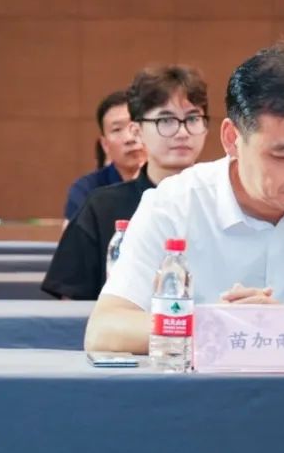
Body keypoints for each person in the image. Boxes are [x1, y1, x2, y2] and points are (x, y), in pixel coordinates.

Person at [84, 43, 284, 357]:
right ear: (232, 140)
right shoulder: (174, 202)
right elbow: (106, 328)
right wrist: (218, 326)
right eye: (283, 154)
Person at [43, 65, 209, 300]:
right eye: (166, 120)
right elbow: (70, 303)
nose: (182, 132)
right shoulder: (100, 208)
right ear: (137, 131)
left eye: (192, 118)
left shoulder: (225, 203)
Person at [61, 91, 147, 225]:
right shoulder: (87, 189)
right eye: (117, 129)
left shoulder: (175, 182)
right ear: (105, 145)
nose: (130, 138)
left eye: (135, 126)